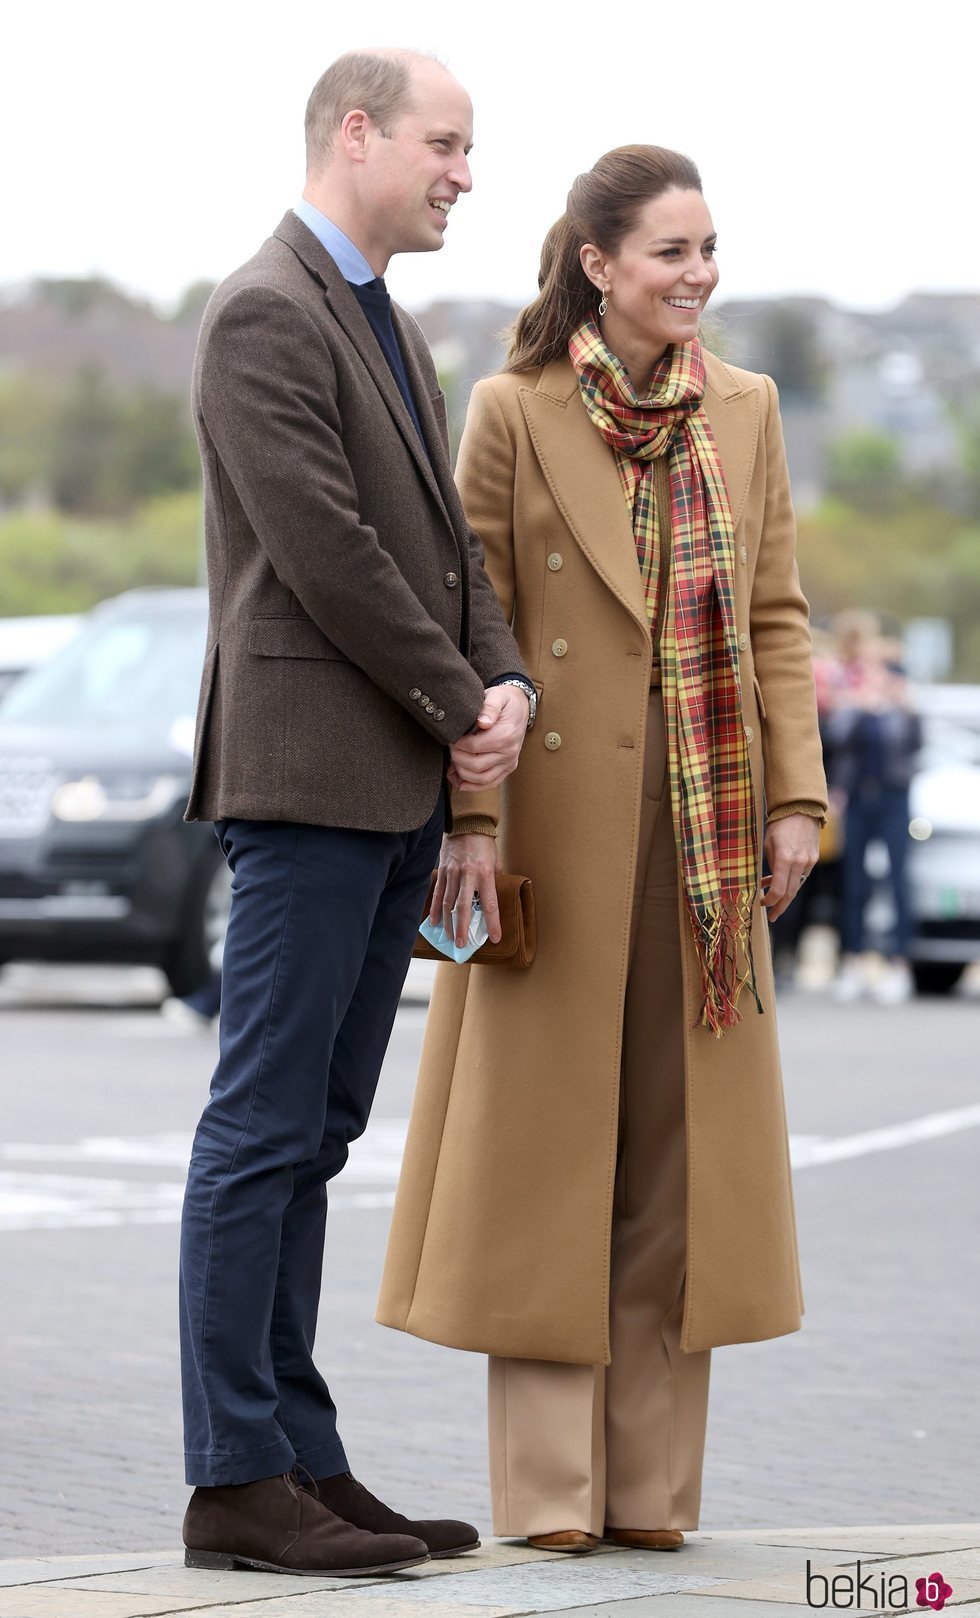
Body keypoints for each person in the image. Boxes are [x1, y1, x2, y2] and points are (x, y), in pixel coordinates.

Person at [378, 146, 828, 1552]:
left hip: (705, 828)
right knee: (549, 1165)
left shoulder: (745, 411)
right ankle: (553, 1498)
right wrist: (470, 823)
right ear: (597, 263)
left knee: (676, 1167)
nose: (699, 275)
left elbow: (776, 618)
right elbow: (476, 619)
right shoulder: (514, 410)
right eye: (670, 252)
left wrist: (799, 799)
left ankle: (652, 1495)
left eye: (709, 249)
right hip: (554, 827)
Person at [178, 48, 535, 1579]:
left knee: (314, 1135)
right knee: (259, 1133)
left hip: (387, 786)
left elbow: (448, 548)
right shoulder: (264, 311)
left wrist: (507, 674)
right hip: (313, 779)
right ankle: (235, 1483)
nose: (465, 171)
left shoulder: (382, 319)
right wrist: (465, 703)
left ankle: (304, 1460)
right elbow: (327, 554)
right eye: (447, 144)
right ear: (358, 135)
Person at [827, 642, 922, 1004]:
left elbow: (914, 747)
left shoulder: (903, 708)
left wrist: (897, 704)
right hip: (858, 799)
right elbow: (836, 738)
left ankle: (899, 964)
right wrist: (857, 705)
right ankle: (851, 962)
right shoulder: (856, 706)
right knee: (854, 882)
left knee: (899, 880)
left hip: (893, 799)